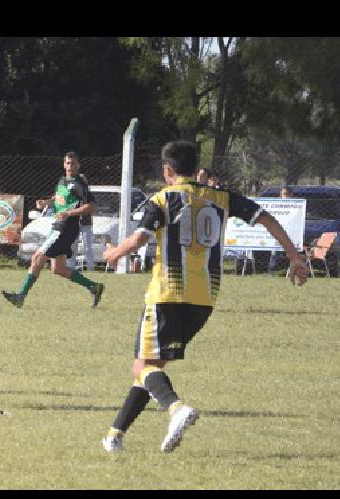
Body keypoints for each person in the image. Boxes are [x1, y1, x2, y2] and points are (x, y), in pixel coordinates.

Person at [100, 140, 308, 454]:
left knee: (142, 365)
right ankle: (115, 436)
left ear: (167, 170)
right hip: (204, 300)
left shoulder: (163, 198)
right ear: (196, 169)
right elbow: (267, 218)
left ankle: (175, 408)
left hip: (167, 294)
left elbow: (139, 238)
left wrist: (113, 253)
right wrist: (294, 257)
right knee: (153, 367)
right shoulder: (222, 197)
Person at [1, 151, 104, 309]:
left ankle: (20, 296)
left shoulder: (80, 183)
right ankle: (94, 287)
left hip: (66, 228)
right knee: (59, 268)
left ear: (79, 165)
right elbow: (59, 199)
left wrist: (69, 213)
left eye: (74, 163)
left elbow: (91, 206)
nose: (70, 166)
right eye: (68, 163)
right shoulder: (62, 181)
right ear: (64, 164)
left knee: (37, 257)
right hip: (57, 227)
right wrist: (46, 202)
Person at [268, 186, 294, 274]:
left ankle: (293, 270)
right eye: (283, 194)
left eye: (287, 194)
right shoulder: (276, 205)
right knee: (274, 252)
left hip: (292, 234)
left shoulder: (297, 206)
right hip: (278, 233)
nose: (285, 196)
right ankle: (271, 270)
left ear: (291, 195)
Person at [77, 172, 95, 271]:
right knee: (72, 246)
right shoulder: (73, 193)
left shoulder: (88, 194)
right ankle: (70, 267)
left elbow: (91, 207)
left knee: (87, 247)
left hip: (86, 223)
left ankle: (90, 268)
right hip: (74, 223)